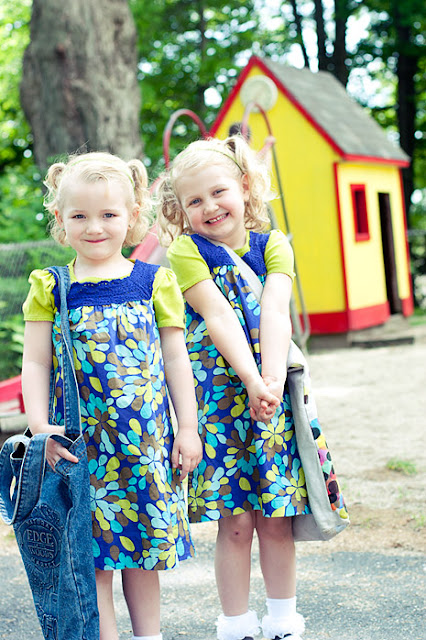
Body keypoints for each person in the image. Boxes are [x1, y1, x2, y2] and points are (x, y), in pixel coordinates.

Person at [22, 151, 202, 640]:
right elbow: (36, 363)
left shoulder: (154, 282)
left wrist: (188, 427)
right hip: (80, 451)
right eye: (80, 216)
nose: (95, 227)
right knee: (91, 560)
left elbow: (176, 360)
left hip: (145, 449)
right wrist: (40, 428)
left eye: (108, 214)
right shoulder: (51, 287)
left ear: (133, 215)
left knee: (142, 558)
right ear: (60, 218)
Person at [156, 136, 308, 640]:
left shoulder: (274, 244)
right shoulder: (186, 250)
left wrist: (271, 381)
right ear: (181, 210)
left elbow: (275, 310)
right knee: (236, 521)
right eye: (194, 201)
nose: (209, 207)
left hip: (269, 393)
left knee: (277, 520)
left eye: (218, 192)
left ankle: (283, 621)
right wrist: (252, 379)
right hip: (222, 399)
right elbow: (217, 314)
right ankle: (236, 624)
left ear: (244, 186)